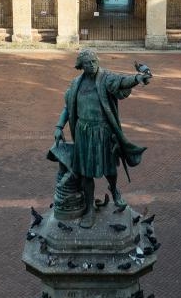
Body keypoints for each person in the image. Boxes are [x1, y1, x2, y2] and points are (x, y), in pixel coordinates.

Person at [54, 49, 150, 228]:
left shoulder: (105, 78)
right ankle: (89, 208)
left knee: (109, 167)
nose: (91, 65)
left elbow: (121, 81)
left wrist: (137, 78)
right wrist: (59, 126)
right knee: (85, 173)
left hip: (103, 132)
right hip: (83, 133)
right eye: (87, 63)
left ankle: (114, 190)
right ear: (80, 66)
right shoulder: (76, 84)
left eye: (94, 62)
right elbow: (68, 108)